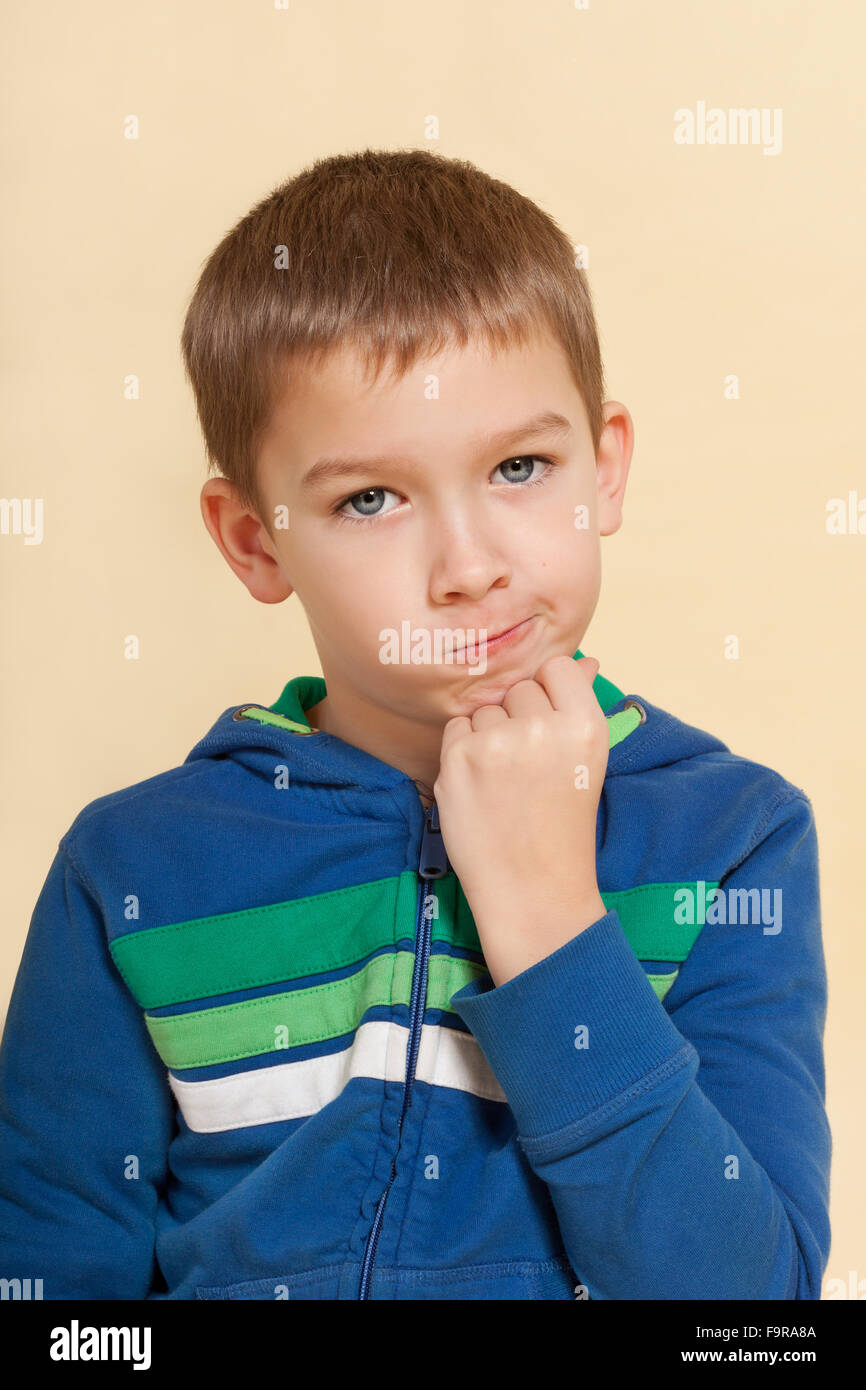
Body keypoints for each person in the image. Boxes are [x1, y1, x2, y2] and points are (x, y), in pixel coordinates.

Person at [0, 148, 831, 1300]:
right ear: (254, 539)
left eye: (521, 466)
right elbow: (53, 1288)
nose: (469, 567)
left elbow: (747, 1312)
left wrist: (547, 918)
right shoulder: (131, 870)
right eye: (371, 500)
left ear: (603, 468)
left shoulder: (729, 836)